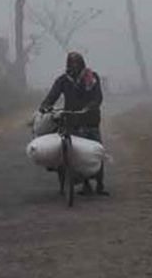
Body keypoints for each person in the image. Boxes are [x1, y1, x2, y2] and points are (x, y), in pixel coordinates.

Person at [39, 51, 108, 196]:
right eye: (71, 63)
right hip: (72, 119)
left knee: (95, 151)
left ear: (82, 63)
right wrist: (45, 105)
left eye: (77, 62)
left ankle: (100, 184)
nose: (74, 65)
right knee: (77, 154)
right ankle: (85, 184)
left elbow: (98, 97)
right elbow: (52, 95)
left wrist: (91, 106)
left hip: (90, 119)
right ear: (68, 64)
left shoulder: (92, 77)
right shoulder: (63, 80)